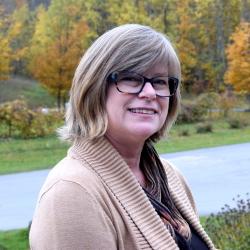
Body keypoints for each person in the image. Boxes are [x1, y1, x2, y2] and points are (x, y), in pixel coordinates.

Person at [29, 24, 215, 250]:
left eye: (159, 81)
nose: (149, 93)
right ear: (95, 88)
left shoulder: (169, 176)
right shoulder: (71, 193)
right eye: (131, 78)